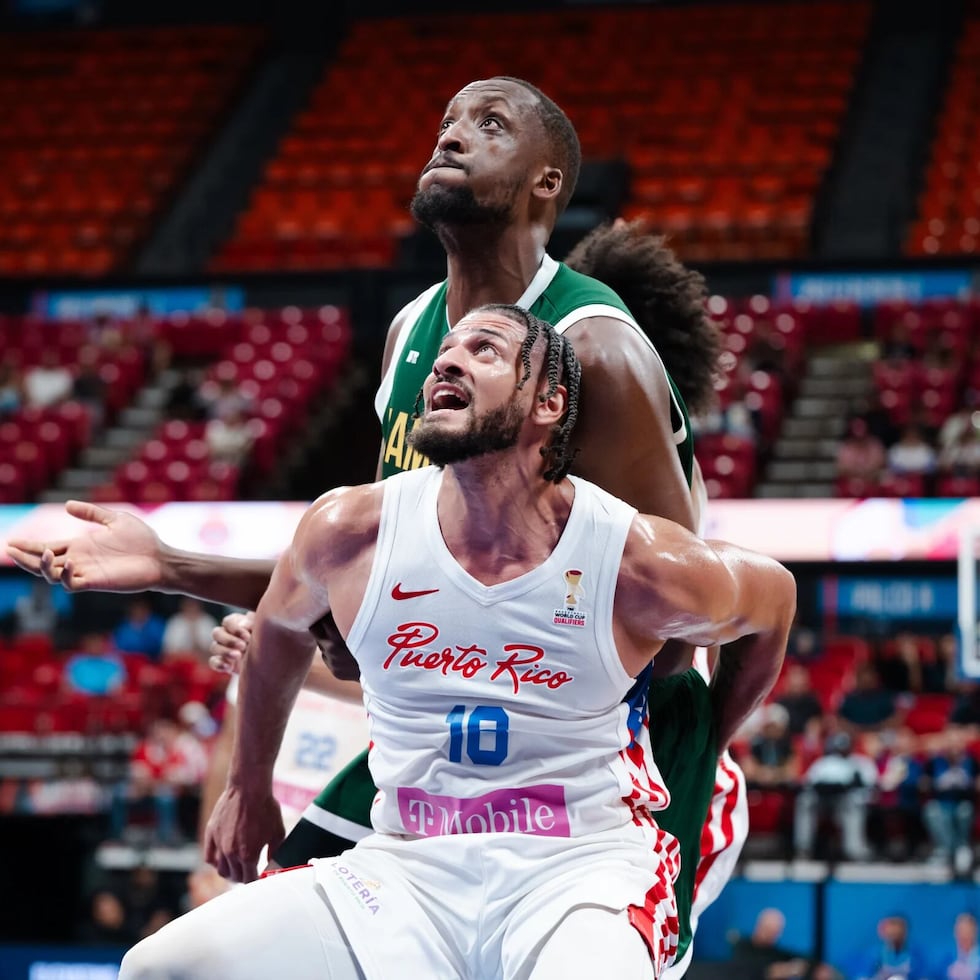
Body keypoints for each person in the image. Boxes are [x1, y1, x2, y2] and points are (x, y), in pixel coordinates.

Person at [8, 79, 748, 972]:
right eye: (445, 120)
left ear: (547, 183)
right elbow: (377, 565)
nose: (451, 134)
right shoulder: (411, 334)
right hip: (450, 755)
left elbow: (676, 626)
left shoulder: (593, 346)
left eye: (489, 123)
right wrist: (168, 560)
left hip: (605, 768)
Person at [115, 304, 795, 979]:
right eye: (447, 350)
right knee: (157, 969)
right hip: (406, 866)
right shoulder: (350, 529)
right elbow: (277, 630)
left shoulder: (633, 559)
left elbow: (775, 600)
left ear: (548, 402)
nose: (448, 360)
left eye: (486, 349)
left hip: (578, 870)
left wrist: (713, 731)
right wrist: (248, 787)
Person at [793, 731, 877, 861]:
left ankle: (854, 850)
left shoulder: (861, 763)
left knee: (852, 802)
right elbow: (808, 784)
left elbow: (870, 788)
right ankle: (803, 848)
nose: (842, 749)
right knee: (805, 800)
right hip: (823, 802)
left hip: (848, 803)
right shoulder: (824, 763)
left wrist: (850, 788)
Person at [934, 911, 979, 980]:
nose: (963, 936)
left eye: (968, 931)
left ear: (975, 932)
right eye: (960, 931)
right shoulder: (947, 960)